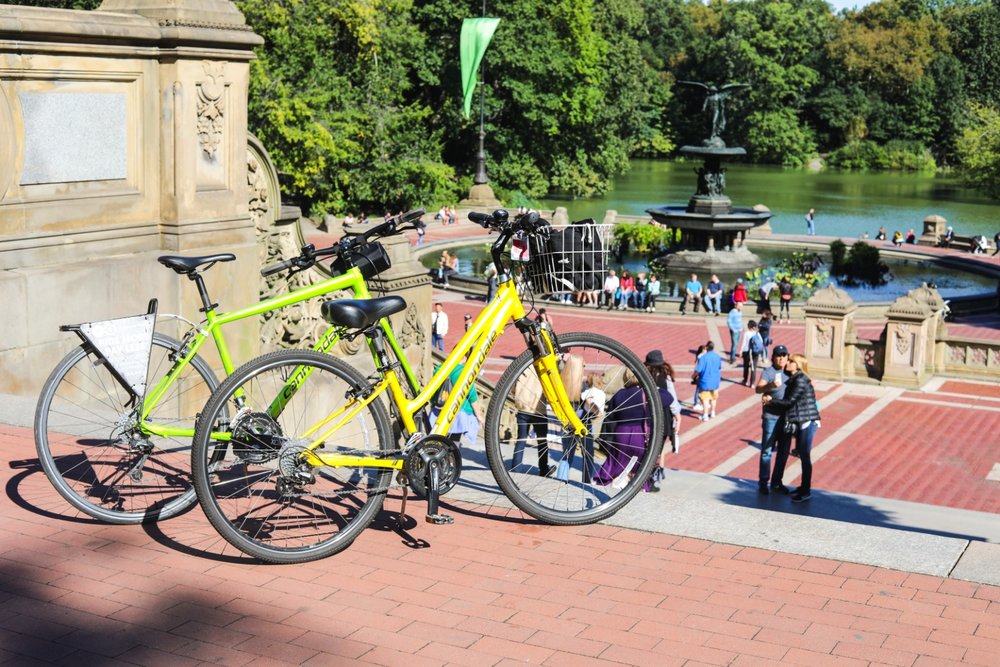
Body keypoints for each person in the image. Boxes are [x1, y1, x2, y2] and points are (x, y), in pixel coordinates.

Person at [593, 368, 671, 493]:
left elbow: (611, 415)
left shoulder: (620, 394)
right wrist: (653, 387)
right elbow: (668, 398)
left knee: (616, 461)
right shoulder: (646, 394)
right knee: (640, 467)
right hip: (640, 434)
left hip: (621, 432)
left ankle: (613, 483)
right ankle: (639, 488)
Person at [762, 353, 820, 502]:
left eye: (791, 361)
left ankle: (806, 490)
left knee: (805, 456)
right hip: (802, 421)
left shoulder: (800, 380)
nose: (788, 361)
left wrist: (770, 401)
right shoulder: (797, 378)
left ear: (798, 365)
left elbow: (789, 402)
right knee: (802, 455)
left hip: (807, 421)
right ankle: (803, 487)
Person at [755, 345, 792, 495]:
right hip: (771, 417)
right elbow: (758, 389)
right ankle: (764, 482)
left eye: (784, 355)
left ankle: (777, 482)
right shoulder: (768, 372)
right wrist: (769, 387)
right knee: (767, 451)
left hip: (787, 418)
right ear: (774, 357)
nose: (781, 358)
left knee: (783, 452)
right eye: (778, 355)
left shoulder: (791, 371)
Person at [558, 373, 606, 483]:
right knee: (588, 455)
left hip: (571, 422)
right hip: (585, 424)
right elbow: (598, 412)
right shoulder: (601, 394)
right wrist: (596, 410)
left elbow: (586, 399)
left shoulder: (586, 391)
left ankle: (561, 479)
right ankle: (586, 481)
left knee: (567, 454)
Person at [511, 371, 550, 476]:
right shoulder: (543, 368)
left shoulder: (524, 368)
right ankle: (543, 469)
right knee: (542, 442)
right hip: (539, 410)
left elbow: (513, 386)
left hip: (523, 408)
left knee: (521, 440)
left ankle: (516, 467)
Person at [644, 350, 681, 455]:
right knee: (657, 449)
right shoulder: (665, 377)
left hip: (645, 413)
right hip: (663, 416)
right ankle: (654, 466)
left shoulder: (643, 376)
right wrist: (677, 414)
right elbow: (672, 398)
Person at [693, 340, 722, 420]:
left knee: (705, 398)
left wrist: (693, 376)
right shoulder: (717, 357)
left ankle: (705, 415)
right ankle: (713, 412)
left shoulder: (703, 358)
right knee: (713, 398)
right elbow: (719, 367)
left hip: (705, 381)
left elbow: (698, 370)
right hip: (715, 381)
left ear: (706, 347)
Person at [740, 320, 765, 387]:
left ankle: (745, 381)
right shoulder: (757, 334)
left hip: (747, 351)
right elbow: (761, 343)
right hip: (755, 352)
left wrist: (741, 351)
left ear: (749, 327)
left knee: (746, 367)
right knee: (753, 367)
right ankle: (752, 383)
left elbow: (744, 343)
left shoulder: (747, 333)